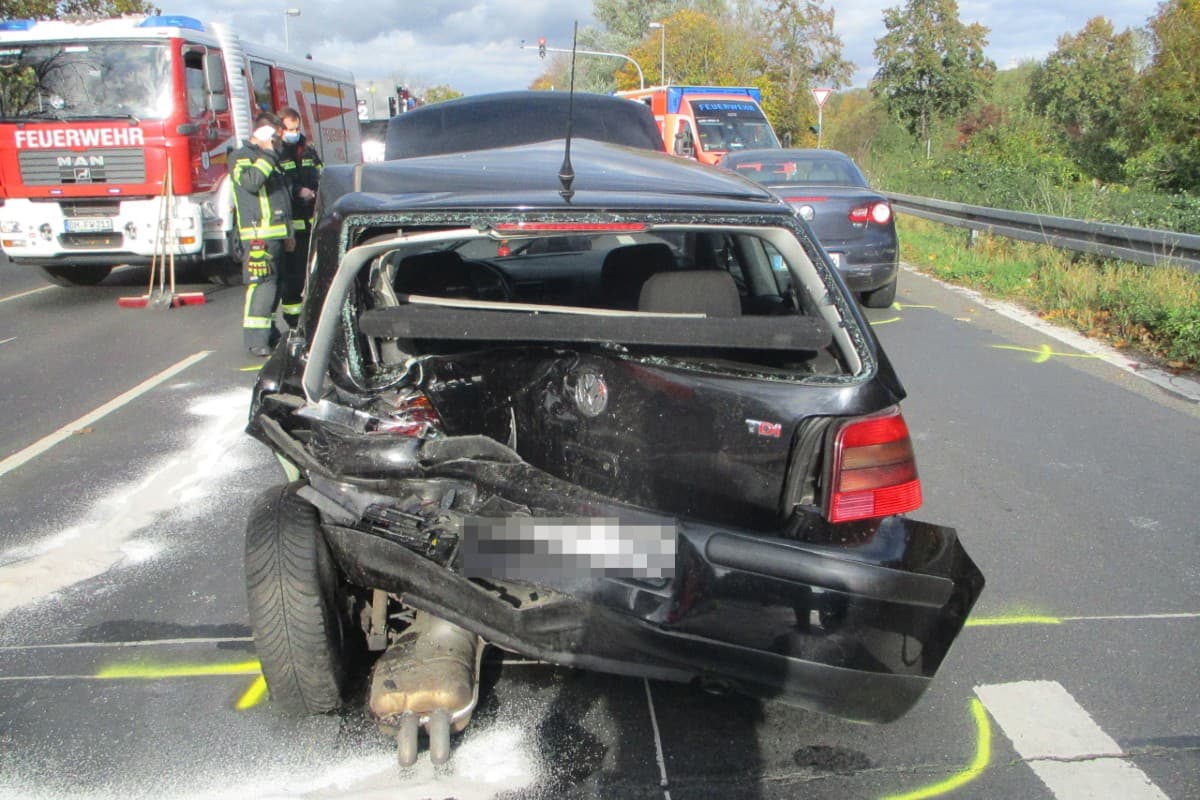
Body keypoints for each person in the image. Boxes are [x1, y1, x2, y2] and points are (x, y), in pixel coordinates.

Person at [230, 121, 293, 356]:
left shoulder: (270, 158)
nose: (277, 143)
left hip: (277, 234)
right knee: (262, 286)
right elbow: (252, 183)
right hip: (259, 235)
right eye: (274, 138)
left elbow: (282, 198)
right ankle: (256, 340)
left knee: (275, 286)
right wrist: (267, 153)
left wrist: (289, 233)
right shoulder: (241, 157)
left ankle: (269, 332)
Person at [276, 106, 322, 329]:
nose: (294, 133)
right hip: (291, 225)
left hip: (311, 223)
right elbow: (279, 185)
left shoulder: (307, 150)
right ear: (280, 129)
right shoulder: (276, 152)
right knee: (293, 278)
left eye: (296, 129)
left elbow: (320, 173)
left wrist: (318, 189)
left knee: (313, 273)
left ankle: (313, 317)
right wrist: (297, 191)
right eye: (289, 129)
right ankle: (293, 321)